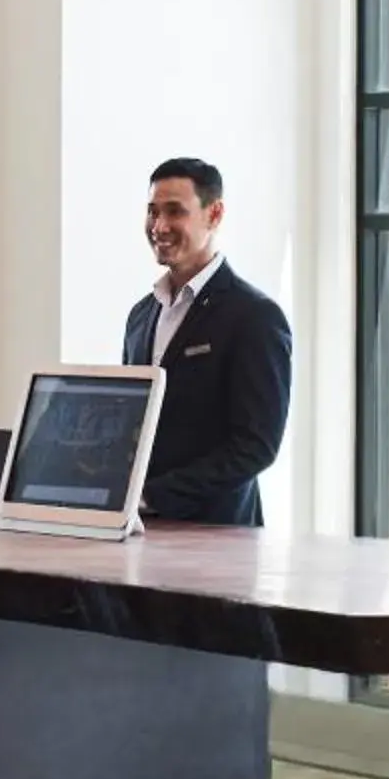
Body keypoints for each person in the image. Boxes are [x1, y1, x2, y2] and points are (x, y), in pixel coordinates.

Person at [121, 157, 292, 526]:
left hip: (217, 538)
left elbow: (255, 446)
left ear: (214, 215)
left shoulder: (254, 316)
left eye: (174, 212)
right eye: (152, 212)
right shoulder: (140, 316)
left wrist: (152, 496)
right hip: (139, 533)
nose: (159, 226)